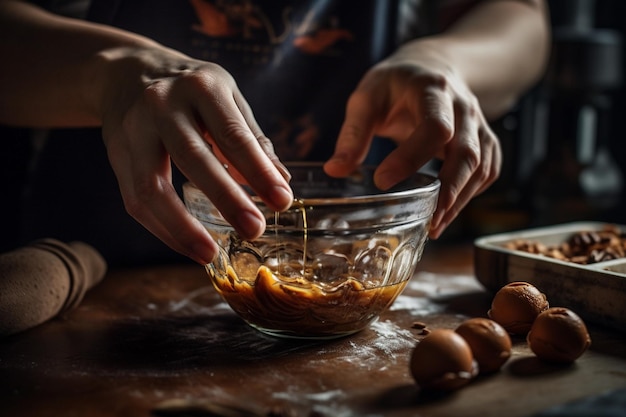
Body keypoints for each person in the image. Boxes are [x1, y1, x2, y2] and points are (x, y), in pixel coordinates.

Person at [0, 0, 550, 266]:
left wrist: (446, 62)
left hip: (363, 247)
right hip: (80, 264)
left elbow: (520, 18)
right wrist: (111, 69)